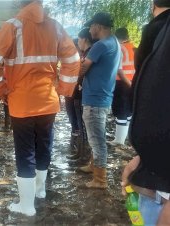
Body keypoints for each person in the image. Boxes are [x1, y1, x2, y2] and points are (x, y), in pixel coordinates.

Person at [0, 0, 80, 216]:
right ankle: (40, 192)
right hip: (48, 101)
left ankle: (27, 206)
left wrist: (1, 90)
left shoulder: (12, 26)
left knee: (25, 151)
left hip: (21, 103)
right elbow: (73, 59)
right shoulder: (55, 26)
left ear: (21, 3)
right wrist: (64, 88)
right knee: (44, 145)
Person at [121, 1, 170, 224]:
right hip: (153, 180)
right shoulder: (161, 29)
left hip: (162, 193)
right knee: (138, 218)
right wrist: (144, 158)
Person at [78, 12, 122, 189]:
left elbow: (83, 68)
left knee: (97, 140)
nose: (90, 30)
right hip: (102, 97)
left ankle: (100, 180)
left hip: (95, 99)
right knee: (97, 136)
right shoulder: (115, 43)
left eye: (91, 26)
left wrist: (71, 78)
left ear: (99, 26)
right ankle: (93, 166)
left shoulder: (100, 45)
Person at [67, 28, 94, 167]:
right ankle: (80, 152)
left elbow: (82, 73)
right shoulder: (84, 54)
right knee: (79, 123)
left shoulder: (89, 54)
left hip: (82, 93)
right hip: (76, 93)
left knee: (83, 126)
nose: (78, 42)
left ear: (85, 39)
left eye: (79, 39)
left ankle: (84, 156)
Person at [108, 28, 135, 147]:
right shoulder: (134, 48)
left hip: (121, 83)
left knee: (121, 110)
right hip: (132, 82)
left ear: (117, 37)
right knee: (128, 110)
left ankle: (119, 140)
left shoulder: (119, 49)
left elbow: (118, 70)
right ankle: (127, 136)